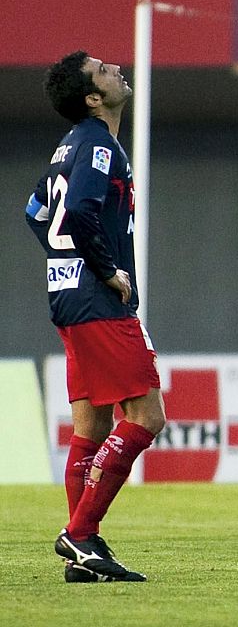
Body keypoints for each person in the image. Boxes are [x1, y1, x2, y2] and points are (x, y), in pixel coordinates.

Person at [28, 51, 167, 583]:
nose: (116, 70)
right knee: (146, 416)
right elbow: (82, 212)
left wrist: (63, 257)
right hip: (97, 300)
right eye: (104, 70)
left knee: (91, 425)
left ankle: (83, 550)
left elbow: (35, 211)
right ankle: (81, 534)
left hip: (66, 296)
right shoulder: (98, 146)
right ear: (93, 98)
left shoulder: (68, 147)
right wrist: (106, 269)